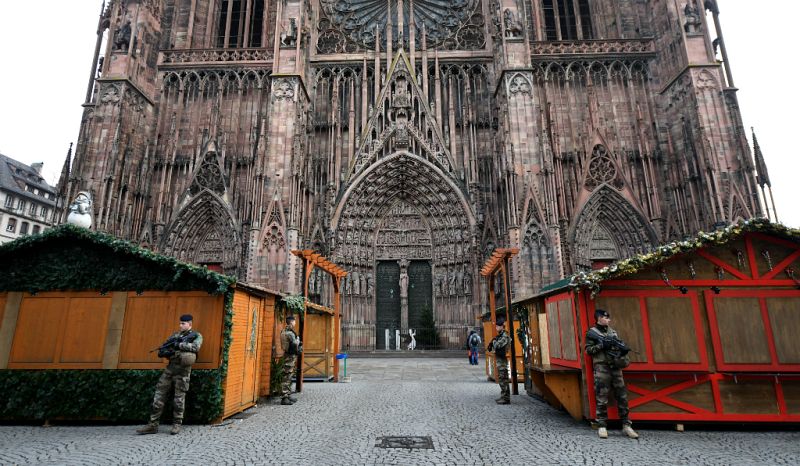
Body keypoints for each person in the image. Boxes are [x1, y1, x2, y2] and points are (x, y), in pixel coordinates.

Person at [136, 314, 203, 435]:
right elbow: (165, 347)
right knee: (159, 395)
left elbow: (196, 347)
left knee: (179, 399)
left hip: (183, 371)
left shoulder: (196, 335)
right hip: (170, 369)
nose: (180, 325)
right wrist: (164, 352)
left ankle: (177, 424)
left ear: (190, 324)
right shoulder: (175, 336)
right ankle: (152, 424)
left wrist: (180, 345)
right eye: (180, 323)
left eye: (183, 323)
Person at [585, 308, 639, 439]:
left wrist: (622, 349)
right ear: (599, 319)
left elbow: (617, 346)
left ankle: (626, 424)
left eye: (608, 318)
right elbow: (588, 350)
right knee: (601, 396)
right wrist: (601, 345)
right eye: (606, 317)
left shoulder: (613, 332)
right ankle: (602, 425)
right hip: (602, 367)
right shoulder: (592, 333)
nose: (608, 319)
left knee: (622, 396)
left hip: (615, 367)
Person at [487, 317, 511, 404]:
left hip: (502, 362)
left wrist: (493, 341)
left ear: (502, 326)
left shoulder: (504, 336)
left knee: (503, 379)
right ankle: (503, 396)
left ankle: (506, 398)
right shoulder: (500, 335)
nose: (496, 328)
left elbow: (497, 345)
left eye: (497, 326)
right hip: (500, 361)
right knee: (502, 379)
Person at [279, 314, 302, 405]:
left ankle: (287, 395)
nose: (295, 322)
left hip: (288, 355)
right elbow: (295, 344)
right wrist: (298, 339)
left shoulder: (284, 331)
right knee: (287, 376)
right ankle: (284, 397)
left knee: (288, 375)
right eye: (294, 321)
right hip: (290, 356)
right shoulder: (290, 333)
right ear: (291, 322)